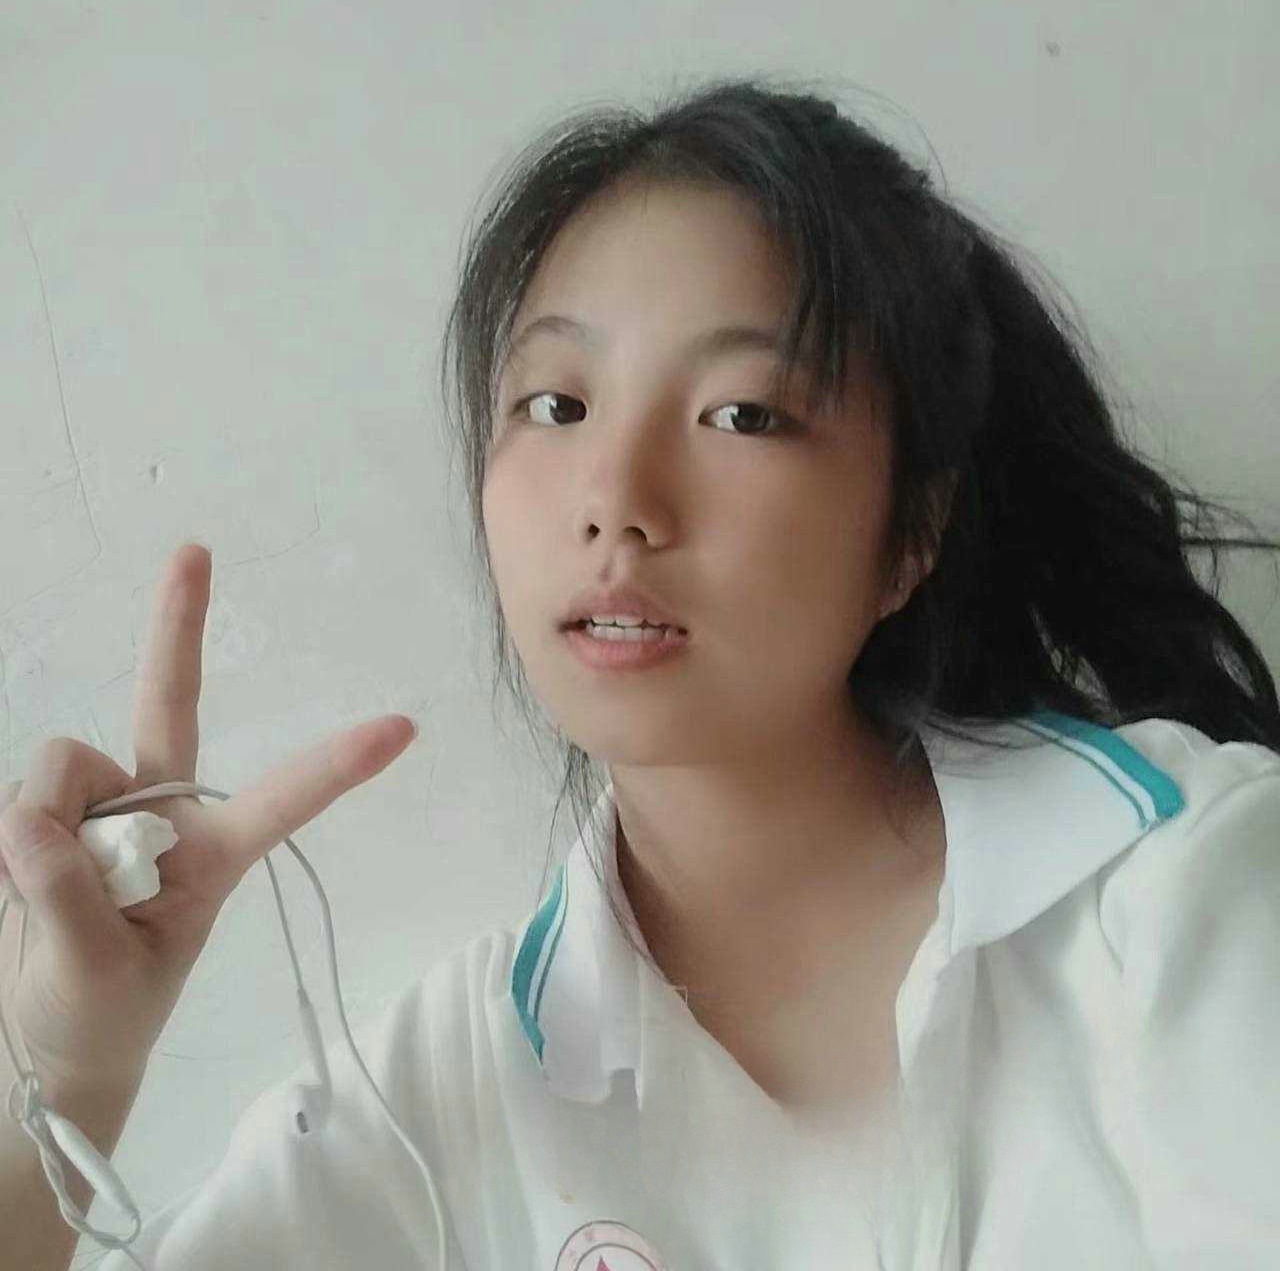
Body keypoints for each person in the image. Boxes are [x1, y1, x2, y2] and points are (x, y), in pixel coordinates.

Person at [3, 75, 1279, 1271]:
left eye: (741, 414)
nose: (614, 499)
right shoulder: (439, 1100)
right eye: (555, 405)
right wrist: (67, 1066)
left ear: (911, 532)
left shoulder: (1183, 891)